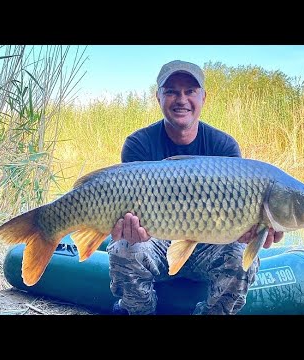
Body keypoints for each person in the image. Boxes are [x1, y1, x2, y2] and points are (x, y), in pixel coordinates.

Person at [106, 60, 284, 315]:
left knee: (241, 255)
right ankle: (139, 311)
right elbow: (129, 215)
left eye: (190, 91)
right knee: (124, 248)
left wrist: (250, 232)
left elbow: (235, 225)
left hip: (207, 245)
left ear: (203, 97)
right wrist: (130, 229)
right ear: (158, 97)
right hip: (154, 240)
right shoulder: (138, 144)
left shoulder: (224, 147)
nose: (182, 99)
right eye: (171, 91)